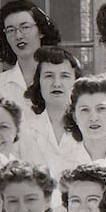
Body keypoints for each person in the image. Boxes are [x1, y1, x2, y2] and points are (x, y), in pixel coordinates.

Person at [0, 0, 60, 111]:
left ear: (41, 31)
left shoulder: (61, 78)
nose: (18, 36)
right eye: (10, 30)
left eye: (25, 27)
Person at [19, 45, 81, 176]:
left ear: (76, 82)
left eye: (64, 76)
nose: (57, 83)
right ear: (39, 83)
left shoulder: (89, 128)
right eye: (49, 76)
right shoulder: (24, 130)